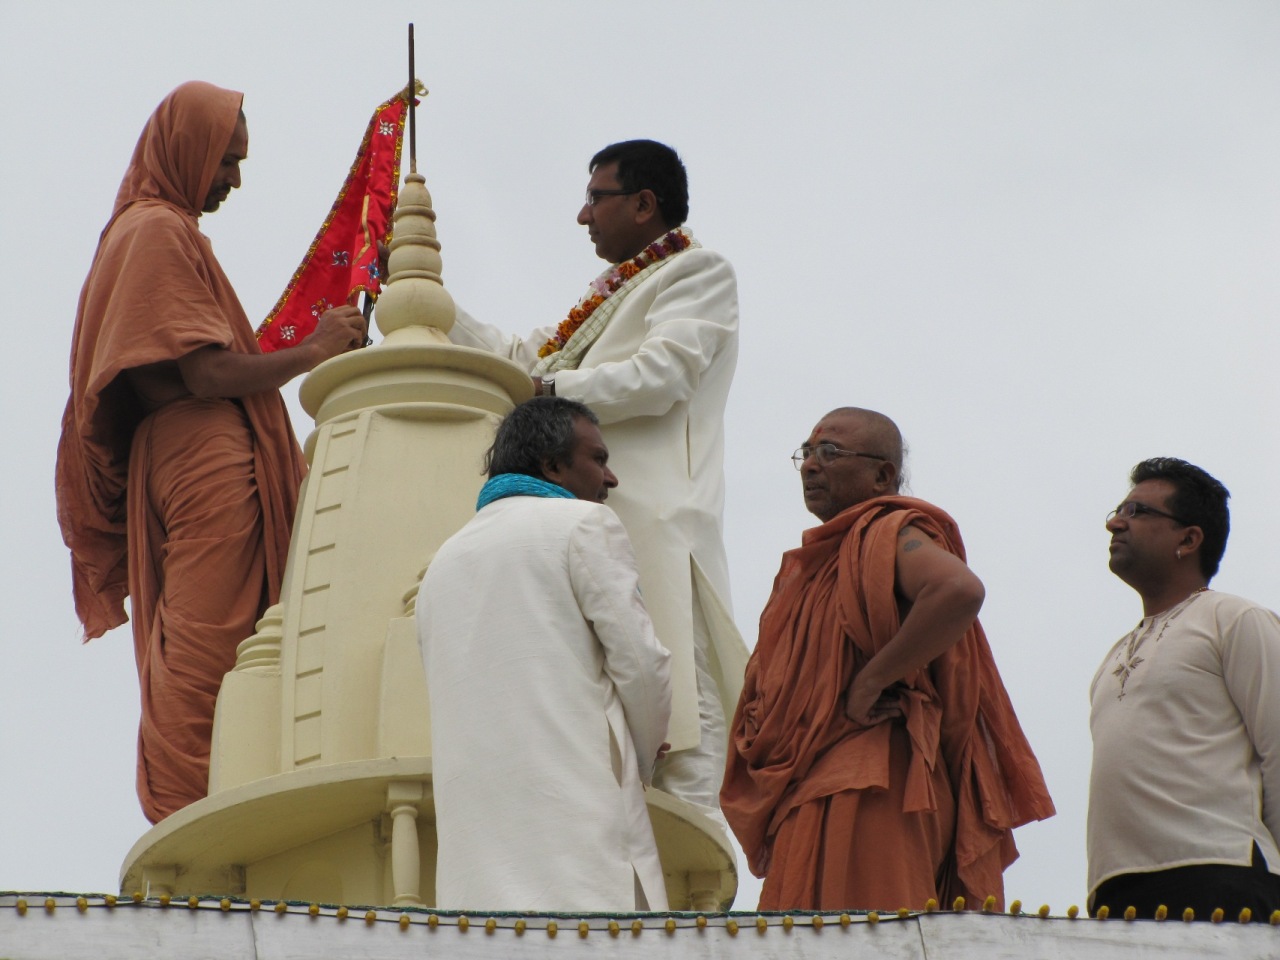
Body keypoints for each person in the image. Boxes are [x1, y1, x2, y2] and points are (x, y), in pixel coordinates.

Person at [55, 81, 366, 823]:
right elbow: (205, 373)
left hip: (189, 457)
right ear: (188, 150)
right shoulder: (156, 231)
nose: (233, 179)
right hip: (200, 460)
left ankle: (211, 799)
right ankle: (195, 810)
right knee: (210, 651)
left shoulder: (155, 231)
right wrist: (313, 350)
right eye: (226, 161)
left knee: (223, 645)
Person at [447, 139, 746, 813]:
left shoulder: (696, 273)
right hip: (585, 526)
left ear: (644, 205)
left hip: (658, 524)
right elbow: (521, 359)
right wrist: (431, 300)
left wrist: (544, 386)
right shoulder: (607, 298)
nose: (583, 217)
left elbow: (662, 375)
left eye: (595, 198)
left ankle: (697, 897)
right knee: (604, 716)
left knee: (685, 721)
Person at [720, 408, 1054, 911]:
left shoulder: (889, 530)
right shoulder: (820, 563)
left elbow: (956, 589)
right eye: (806, 452)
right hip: (810, 789)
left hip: (873, 783)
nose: (812, 464)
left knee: (866, 939)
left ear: (882, 475)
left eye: (830, 452)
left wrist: (870, 683)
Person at [417, 396, 672, 911]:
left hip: (476, 854)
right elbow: (644, 668)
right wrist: (642, 758)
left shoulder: (443, 562)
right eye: (598, 459)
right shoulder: (582, 524)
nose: (611, 478)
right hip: (579, 830)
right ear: (552, 465)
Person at [1088, 458, 1280, 920]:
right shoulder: (1113, 656)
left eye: (1137, 511)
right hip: (1117, 894)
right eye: (1119, 509)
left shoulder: (1234, 620)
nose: (1115, 522)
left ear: (1189, 539)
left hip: (1222, 876)